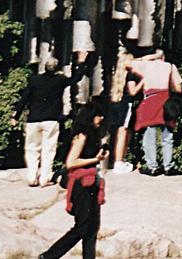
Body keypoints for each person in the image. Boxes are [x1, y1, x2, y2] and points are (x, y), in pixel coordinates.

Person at [11, 52, 92, 186]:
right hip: (51, 119)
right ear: (57, 68)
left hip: (33, 119)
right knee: (48, 149)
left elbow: (24, 98)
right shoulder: (59, 80)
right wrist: (82, 62)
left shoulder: (34, 80)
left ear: (45, 67)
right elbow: (76, 78)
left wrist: (15, 116)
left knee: (31, 149)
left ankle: (31, 177)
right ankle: (44, 178)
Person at [39, 104, 108, 259]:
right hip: (81, 185)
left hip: (92, 183)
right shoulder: (81, 136)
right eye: (98, 115)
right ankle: (49, 256)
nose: (101, 118)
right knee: (82, 227)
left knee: (92, 228)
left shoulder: (93, 134)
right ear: (90, 117)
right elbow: (71, 162)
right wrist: (95, 159)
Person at [128, 49, 182, 176]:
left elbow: (130, 63)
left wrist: (147, 58)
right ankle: (168, 166)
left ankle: (152, 166)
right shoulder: (170, 66)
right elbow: (178, 88)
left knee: (149, 134)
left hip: (150, 98)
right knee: (167, 135)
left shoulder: (145, 65)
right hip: (165, 99)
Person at [106, 50, 137, 174]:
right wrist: (143, 82)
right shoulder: (130, 75)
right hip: (126, 103)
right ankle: (119, 161)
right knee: (123, 131)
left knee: (118, 131)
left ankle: (117, 159)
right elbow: (133, 91)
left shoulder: (116, 76)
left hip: (116, 102)